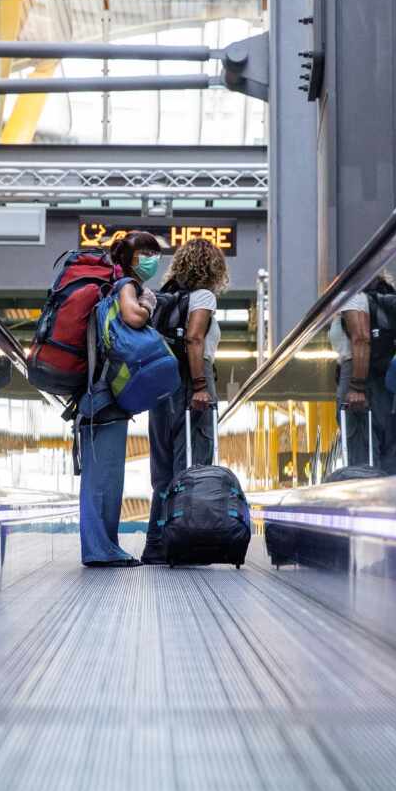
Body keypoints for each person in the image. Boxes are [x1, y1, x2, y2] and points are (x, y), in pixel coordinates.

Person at [78, 230, 163, 567]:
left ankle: (103, 546)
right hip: (103, 398)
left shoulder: (114, 286)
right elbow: (132, 316)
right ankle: (100, 549)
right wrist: (148, 304)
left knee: (104, 476)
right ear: (130, 257)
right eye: (148, 253)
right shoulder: (124, 286)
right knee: (104, 478)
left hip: (98, 396)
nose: (153, 260)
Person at [141, 237, 229, 564]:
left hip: (159, 384)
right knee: (191, 466)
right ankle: (183, 544)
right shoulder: (202, 296)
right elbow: (194, 337)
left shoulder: (162, 300)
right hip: (192, 381)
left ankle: (156, 545)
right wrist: (201, 384)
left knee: (163, 472)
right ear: (212, 268)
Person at [329, 270, 396, 474]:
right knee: (392, 454)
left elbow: (361, 338)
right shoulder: (386, 299)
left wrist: (356, 386)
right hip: (391, 382)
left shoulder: (353, 297)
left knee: (361, 454)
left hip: (360, 377)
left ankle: (367, 502)